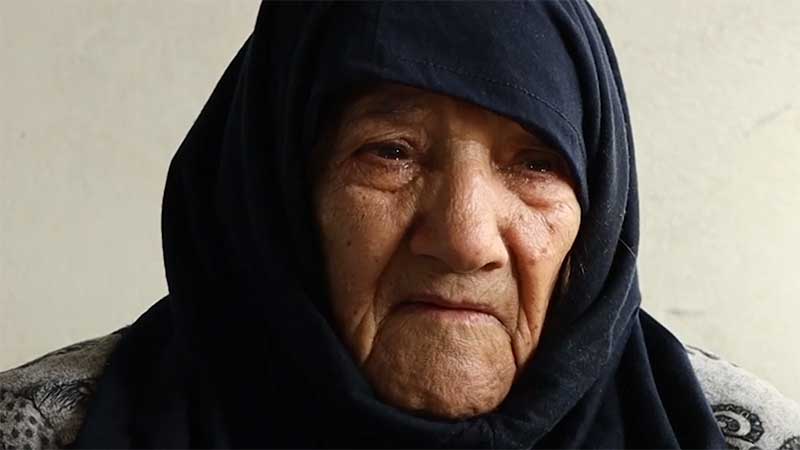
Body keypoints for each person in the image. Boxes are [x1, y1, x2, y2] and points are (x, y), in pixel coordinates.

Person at [1, 2, 799, 449]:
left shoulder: (749, 437)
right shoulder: (40, 432)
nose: (466, 238)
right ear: (276, 196)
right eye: (390, 152)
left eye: (535, 164)